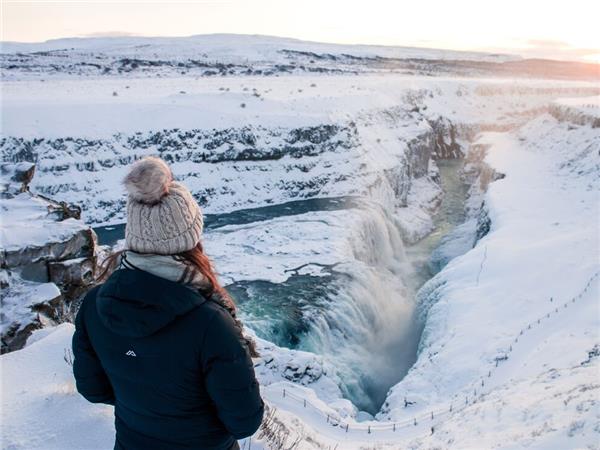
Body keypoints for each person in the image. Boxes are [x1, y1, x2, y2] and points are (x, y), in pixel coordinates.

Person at [72, 156, 264, 450]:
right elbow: (244, 421)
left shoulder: (95, 305)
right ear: (191, 238)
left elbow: (92, 389)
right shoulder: (211, 324)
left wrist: (144, 405)